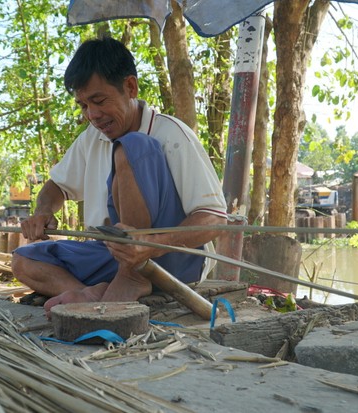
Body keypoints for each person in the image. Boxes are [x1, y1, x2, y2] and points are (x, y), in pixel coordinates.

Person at [11, 36, 227, 314]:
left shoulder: (173, 134)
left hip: (171, 259)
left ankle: (131, 277)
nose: (92, 114)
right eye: (83, 105)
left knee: (132, 145)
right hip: (110, 253)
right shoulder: (92, 137)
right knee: (23, 260)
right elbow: (56, 187)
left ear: (130, 87)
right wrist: (42, 211)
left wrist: (152, 244)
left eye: (99, 100)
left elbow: (214, 220)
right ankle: (88, 295)